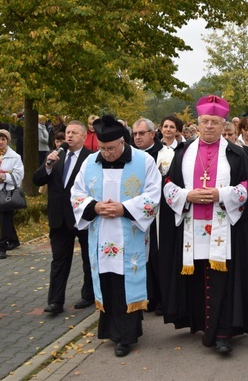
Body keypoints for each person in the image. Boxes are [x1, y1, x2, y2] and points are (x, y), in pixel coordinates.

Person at [159, 96, 248, 355]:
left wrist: (222, 194)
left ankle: (223, 332)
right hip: (191, 227)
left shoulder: (236, 153)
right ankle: (200, 324)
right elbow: (169, 184)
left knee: (222, 280)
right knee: (196, 277)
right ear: (197, 123)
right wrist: (186, 196)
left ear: (223, 124)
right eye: (205, 121)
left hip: (224, 229)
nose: (209, 126)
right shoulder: (183, 153)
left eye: (215, 122)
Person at [71, 115, 161, 357]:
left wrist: (124, 208)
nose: (106, 153)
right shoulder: (90, 162)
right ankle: (110, 330)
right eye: (102, 148)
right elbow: (76, 193)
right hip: (100, 232)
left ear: (122, 142)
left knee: (125, 284)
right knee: (107, 280)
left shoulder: (143, 161)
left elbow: (154, 193)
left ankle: (127, 336)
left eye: (111, 148)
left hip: (129, 232)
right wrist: (95, 207)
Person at [33, 121, 94, 315]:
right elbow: (37, 179)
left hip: (82, 216)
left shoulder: (91, 158)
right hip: (59, 217)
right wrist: (48, 165)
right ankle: (55, 302)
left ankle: (88, 294)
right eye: (67, 132)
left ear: (84, 137)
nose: (69, 136)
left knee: (88, 258)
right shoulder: (56, 156)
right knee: (59, 260)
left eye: (74, 133)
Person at [131, 117, 165, 315]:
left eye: (141, 133)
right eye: (134, 134)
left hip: (159, 213)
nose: (137, 137)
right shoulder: (131, 155)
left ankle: (160, 298)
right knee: (140, 255)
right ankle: (147, 296)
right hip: (136, 211)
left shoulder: (164, 154)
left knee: (156, 255)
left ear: (152, 134)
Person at [0, 129, 25, 259]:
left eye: (3, 139)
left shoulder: (14, 156)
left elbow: (19, 176)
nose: (0, 142)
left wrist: (4, 176)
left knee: (5, 219)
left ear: (7, 140)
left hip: (6, 193)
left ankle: (1, 246)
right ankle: (14, 240)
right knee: (3, 220)